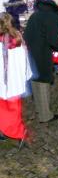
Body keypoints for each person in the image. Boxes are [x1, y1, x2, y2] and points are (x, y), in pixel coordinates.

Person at [24, 0, 58, 123]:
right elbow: (53, 40)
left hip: (30, 50)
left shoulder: (40, 12)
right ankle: (46, 116)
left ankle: (39, 110)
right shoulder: (53, 17)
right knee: (44, 80)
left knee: (35, 79)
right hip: (41, 52)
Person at [0, 12, 32, 146]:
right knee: (14, 109)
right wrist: (25, 76)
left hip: (3, 82)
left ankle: (7, 131)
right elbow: (25, 60)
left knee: (3, 108)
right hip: (15, 82)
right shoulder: (18, 39)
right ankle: (18, 134)